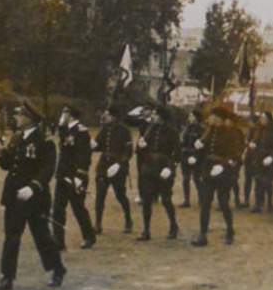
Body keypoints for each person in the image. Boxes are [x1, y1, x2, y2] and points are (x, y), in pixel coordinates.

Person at [0, 100, 66, 290]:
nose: (15, 117)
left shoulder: (44, 141)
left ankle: (57, 268)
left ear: (29, 118)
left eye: (18, 114)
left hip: (35, 197)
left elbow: (47, 169)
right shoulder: (17, 138)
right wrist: (0, 151)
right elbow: (8, 165)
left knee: (41, 235)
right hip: (14, 195)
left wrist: (33, 187)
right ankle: (6, 276)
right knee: (11, 236)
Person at [191, 105, 245, 246]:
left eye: (212, 117)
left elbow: (236, 156)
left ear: (219, 119)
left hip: (223, 172)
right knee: (205, 202)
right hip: (208, 169)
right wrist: (199, 148)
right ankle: (203, 235)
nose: (209, 119)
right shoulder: (210, 132)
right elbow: (206, 149)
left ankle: (229, 230)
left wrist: (223, 165)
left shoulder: (231, 133)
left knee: (223, 202)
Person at [51, 103, 95, 251]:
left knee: (78, 208)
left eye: (64, 113)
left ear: (70, 115)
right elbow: (63, 145)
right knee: (57, 209)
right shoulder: (66, 130)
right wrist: (61, 125)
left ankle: (89, 236)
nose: (62, 115)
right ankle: (58, 241)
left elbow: (85, 155)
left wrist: (80, 175)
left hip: (75, 175)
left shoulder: (81, 132)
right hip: (63, 174)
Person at [135, 104, 180, 241]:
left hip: (163, 166)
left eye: (155, 114)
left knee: (166, 199)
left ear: (161, 116)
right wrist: (140, 145)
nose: (152, 116)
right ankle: (146, 230)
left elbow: (177, 152)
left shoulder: (172, 131)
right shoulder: (150, 129)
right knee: (146, 199)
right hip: (149, 167)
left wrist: (171, 167)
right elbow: (143, 148)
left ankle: (173, 225)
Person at [92, 105, 134, 234]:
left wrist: (119, 164)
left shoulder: (124, 131)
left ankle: (128, 219)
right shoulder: (104, 129)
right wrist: (92, 144)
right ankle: (98, 223)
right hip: (104, 165)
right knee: (100, 196)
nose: (105, 117)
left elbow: (128, 151)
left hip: (118, 166)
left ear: (114, 117)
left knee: (120, 195)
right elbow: (98, 146)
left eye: (108, 115)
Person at [251, 109, 273, 213]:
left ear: (269, 119)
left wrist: (272, 156)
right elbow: (255, 140)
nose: (261, 120)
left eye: (264, 118)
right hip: (259, 158)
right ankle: (258, 204)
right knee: (258, 181)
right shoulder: (258, 129)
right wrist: (253, 145)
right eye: (261, 118)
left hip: (269, 159)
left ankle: (269, 203)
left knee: (268, 182)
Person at [178, 108, 204, 209]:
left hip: (196, 156)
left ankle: (202, 199)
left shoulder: (201, 130)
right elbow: (183, 141)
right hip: (185, 155)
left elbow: (202, 145)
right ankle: (186, 200)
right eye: (190, 116)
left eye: (192, 116)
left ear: (197, 118)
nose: (190, 118)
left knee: (197, 179)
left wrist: (196, 156)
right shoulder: (187, 128)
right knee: (185, 178)